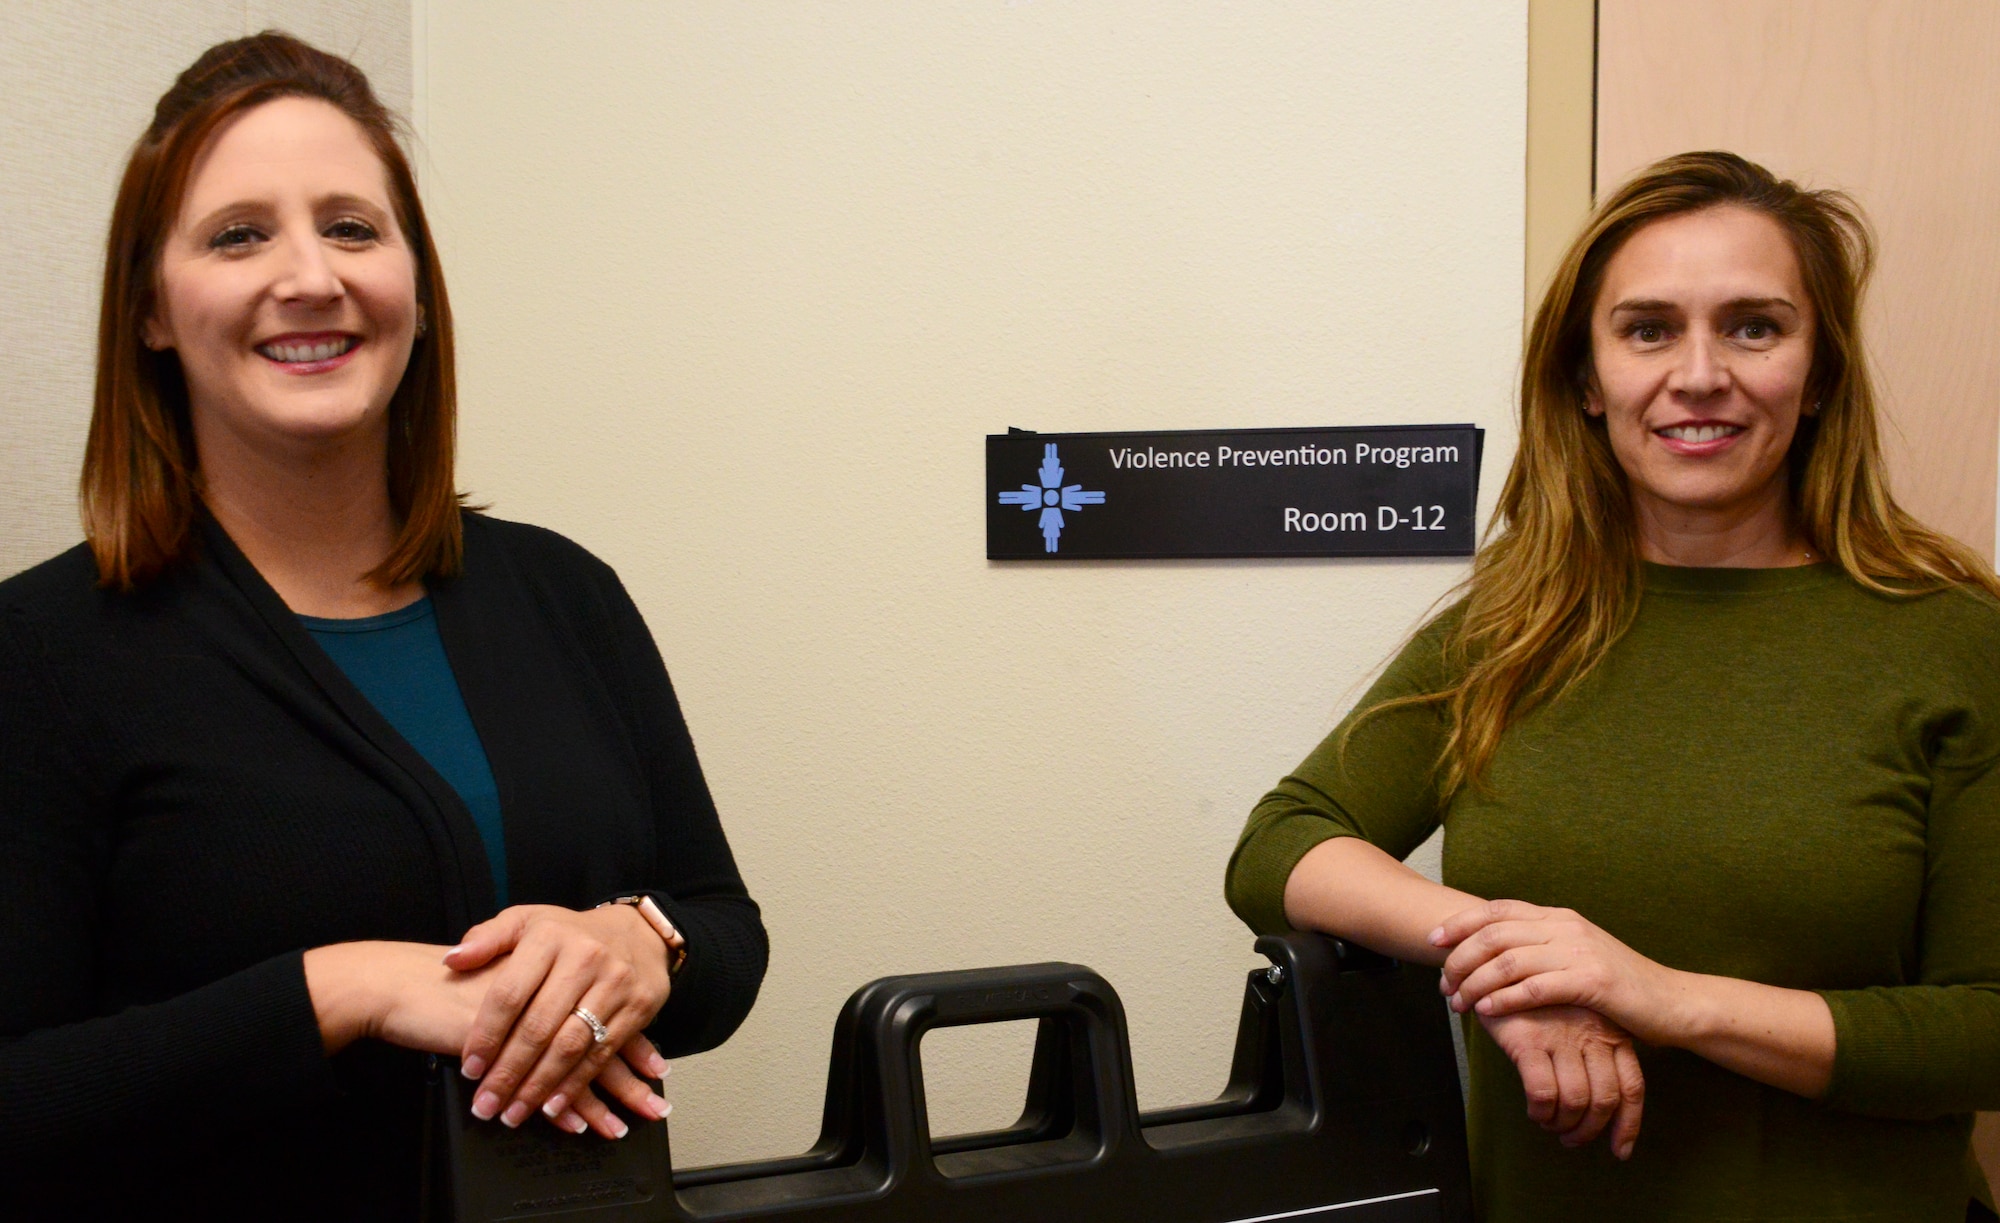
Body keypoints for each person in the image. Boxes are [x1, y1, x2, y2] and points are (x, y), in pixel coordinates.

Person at [0, 32, 767, 1220]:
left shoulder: (565, 593)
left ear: (416, 289)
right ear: (150, 308)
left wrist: (640, 943)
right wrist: (342, 989)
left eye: (353, 228)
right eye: (238, 235)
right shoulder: (43, 651)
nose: (311, 275)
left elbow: (723, 930)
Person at [1226, 151, 2000, 1223]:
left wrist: (1658, 996)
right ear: (1587, 381)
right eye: (1647, 330)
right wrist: (1517, 967)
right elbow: (1282, 844)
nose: (1698, 373)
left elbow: (1985, 1029)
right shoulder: (1514, 623)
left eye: (1753, 327)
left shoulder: (1953, 640)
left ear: (1819, 372)